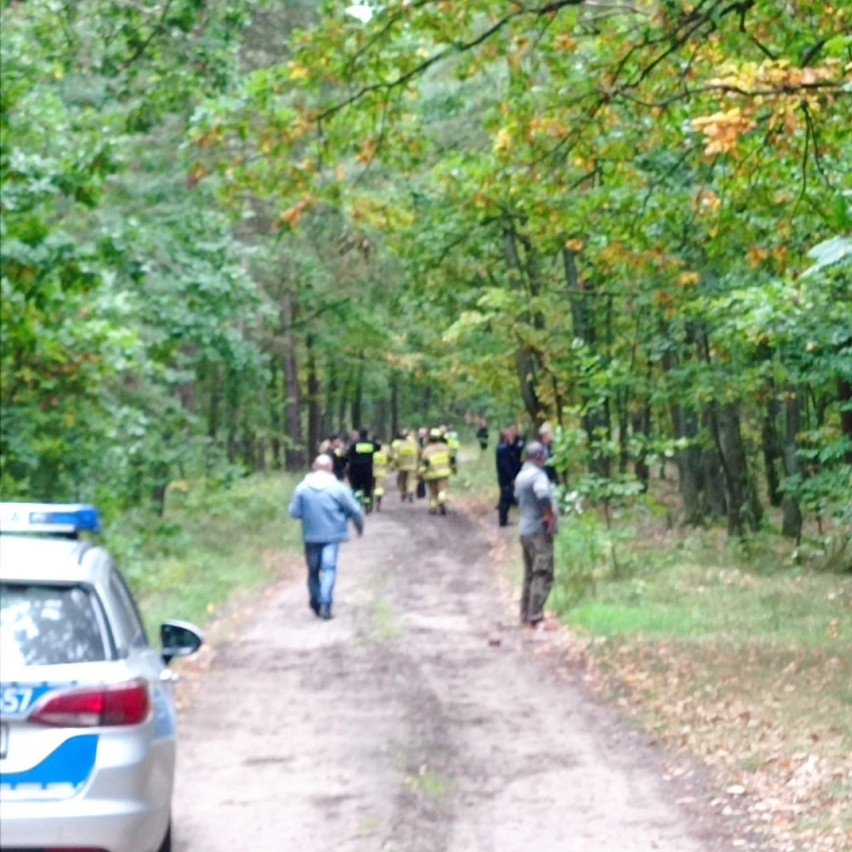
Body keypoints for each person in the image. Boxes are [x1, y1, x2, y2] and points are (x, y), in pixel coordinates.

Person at [288, 454, 364, 620]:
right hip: (332, 535)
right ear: (330, 468)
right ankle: (326, 603)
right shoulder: (338, 488)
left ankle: (316, 601)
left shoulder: (302, 488)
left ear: (314, 467)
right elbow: (355, 510)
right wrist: (359, 527)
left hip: (310, 536)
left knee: (313, 570)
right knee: (329, 568)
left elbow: (294, 512)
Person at [514, 441, 559, 630]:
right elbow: (542, 494)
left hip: (524, 529)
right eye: (544, 455)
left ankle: (525, 615)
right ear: (539, 456)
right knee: (543, 572)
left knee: (530, 574)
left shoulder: (521, 475)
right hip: (538, 532)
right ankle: (536, 617)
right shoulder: (537, 475)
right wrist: (549, 516)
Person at [419, 427, 453, 515]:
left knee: (433, 492)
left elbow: (424, 464)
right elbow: (451, 460)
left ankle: (433, 508)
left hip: (431, 474)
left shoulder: (426, 450)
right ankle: (442, 501)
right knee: (442, 489)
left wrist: (420, 474)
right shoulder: (446, 447)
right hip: (443, 473)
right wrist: (453, 468)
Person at [496, 425, 521, 527]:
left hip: (504, 477)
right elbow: (505, 465)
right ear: (505, 437)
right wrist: (512, 477)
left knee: (505, 497)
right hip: (505, 477)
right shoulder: (502, 449)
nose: (511, 438)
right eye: (509, 436)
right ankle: (502, 520)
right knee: (505, 498)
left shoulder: (504, 447)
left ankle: (504, 518)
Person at [347, 428, 378, 512]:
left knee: (356, 487)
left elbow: (348, 455)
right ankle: (367, 504)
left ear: (359, 435)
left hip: (355, 469)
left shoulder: (354, 444)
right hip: (368, 468)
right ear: (367, 435)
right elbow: (378, 448)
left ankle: (358, 502)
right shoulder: (372, 444)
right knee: (367, 487)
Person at [393, 429, 419, 502]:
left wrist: (395, 465)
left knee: (402, 481)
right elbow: (420, 454)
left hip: (402, 466)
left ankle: (403, 494)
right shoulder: (415, 445)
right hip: (412, 466)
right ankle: (410, 491)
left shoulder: (399, 445)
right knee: (411, 480)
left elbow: (396, 457)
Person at [372, 439, 389, 511]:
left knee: (372, 488)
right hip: (381, 473)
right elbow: (385, 463)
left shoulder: (372, 455)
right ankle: (378, 504)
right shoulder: (383, 455)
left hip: (372, 473)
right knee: (379, 489)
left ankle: (370, 503)